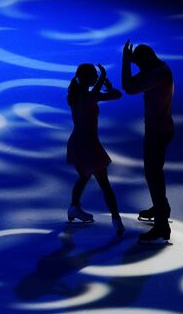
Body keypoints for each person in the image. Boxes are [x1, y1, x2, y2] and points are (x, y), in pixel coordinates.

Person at [121, 40, 174, 243]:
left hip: (157, 131)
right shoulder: (160, 69)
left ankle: (162, 224)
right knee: (154, 173)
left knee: (153, 175)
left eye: (138, 63)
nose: (138, 67)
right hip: (161, 128)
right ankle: (162, 208)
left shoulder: (156, 74)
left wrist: (125, 61)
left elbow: (129, 87)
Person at [66, 63, 125, 236]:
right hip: (87, 144)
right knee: (104, 184)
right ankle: (116, 219)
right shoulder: (85, 96)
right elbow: (116, 95)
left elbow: (114, 94)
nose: (94, 78)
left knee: (84, 176)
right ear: (87, 78)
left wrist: (104, 83)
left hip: (79, 142)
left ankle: (74, 207)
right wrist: (104, 81)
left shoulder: (78, 94)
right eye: (92, 76)